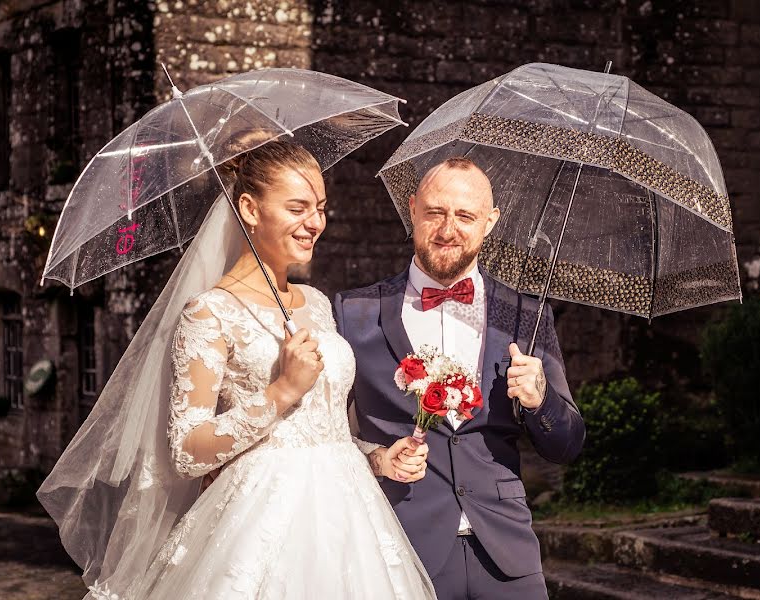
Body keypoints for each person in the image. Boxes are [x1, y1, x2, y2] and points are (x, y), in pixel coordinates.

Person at [40, 140, 436, 600]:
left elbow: (325, 429)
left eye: (321, 208)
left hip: (350, 520)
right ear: (249, 208)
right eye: (297, 207)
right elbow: (187, 452)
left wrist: (379, 457)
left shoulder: (318, 304)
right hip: (258, 525)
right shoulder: (209, 314)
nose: (315, 223)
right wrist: (281, 391)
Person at [334, 157, 586, 599]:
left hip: (509, 558)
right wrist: (378, 459)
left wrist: (539, 399)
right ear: (411, 209)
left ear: (489, 222)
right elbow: (324, 435)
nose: (448, 229)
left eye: (465, 216)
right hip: (400, 551)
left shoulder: (527, 315)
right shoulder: (352, 314)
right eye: (435, 212)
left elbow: (566, 445)